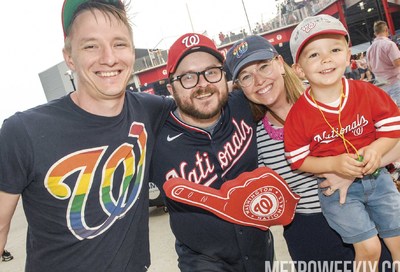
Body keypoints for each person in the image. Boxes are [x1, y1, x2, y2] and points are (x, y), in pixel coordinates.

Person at [0, 1, 174, 271]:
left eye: (119, 43)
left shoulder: (150, 110)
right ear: (69, 56)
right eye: (91, 45)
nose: (109, 58)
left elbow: (204, 102)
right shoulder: (23, 132)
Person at [225, 33, 397, 272]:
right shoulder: (254, 136)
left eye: (264, 66)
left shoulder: (330, 94)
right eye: (246, 76)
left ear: (280, 64)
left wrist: (349, 171)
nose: (259, 80)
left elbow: (394, 142)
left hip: (364, 213)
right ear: (240, 87)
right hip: (309, 233)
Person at [149, 33, 274, 272]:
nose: (202, 84)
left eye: (211, 72)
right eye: (188, 77)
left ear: (224, 76)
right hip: (203, 263)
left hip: (261, 252)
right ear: (170, 87)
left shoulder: (244, 105)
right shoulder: (154, 140)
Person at [286, 14, 400, 269]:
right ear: (299, 69)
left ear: (348, 55)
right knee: (369, 248)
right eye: (313, 55)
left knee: (398, 243)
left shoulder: (367, 92)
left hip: (379, 178)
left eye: (335, 49)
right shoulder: (299, 113)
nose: (326, 59)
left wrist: (375, 149)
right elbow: (297, 159)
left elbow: (393, 129)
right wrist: (334, 163)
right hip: (338, 192)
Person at [366, 20, 400, 107]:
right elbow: (397, 63)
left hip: (380, 85)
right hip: (395, 83)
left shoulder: (369, 49)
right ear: (386, 30)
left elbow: (370, 68)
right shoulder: (389, 44)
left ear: (375, 33)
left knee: (389, 112)